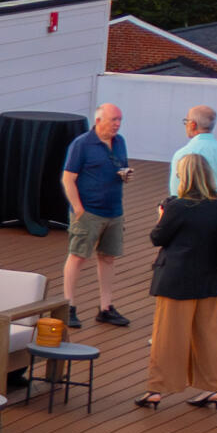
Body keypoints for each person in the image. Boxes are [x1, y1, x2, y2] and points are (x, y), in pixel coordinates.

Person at [143, 154, 217, 410]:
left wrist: (162, 215)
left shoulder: (177, 207)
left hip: (177, 279)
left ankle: (157, 390)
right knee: (210, 336)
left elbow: (158, 237)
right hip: (211, 277)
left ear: (185, 176)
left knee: (169, 337)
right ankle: (213, 388)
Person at [59, 103, 131, 329]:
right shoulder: (82, 144)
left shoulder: (120, 143)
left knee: (108, 257)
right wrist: (79, 210)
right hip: (89, 211)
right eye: (113, 120)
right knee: (78, 256)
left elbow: (120, 168)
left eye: (119, 120)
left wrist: (125, 175)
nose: (117, 124)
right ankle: (68, 307)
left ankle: (106, 308)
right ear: (99, 121)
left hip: (114, 211)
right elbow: (68, 178)